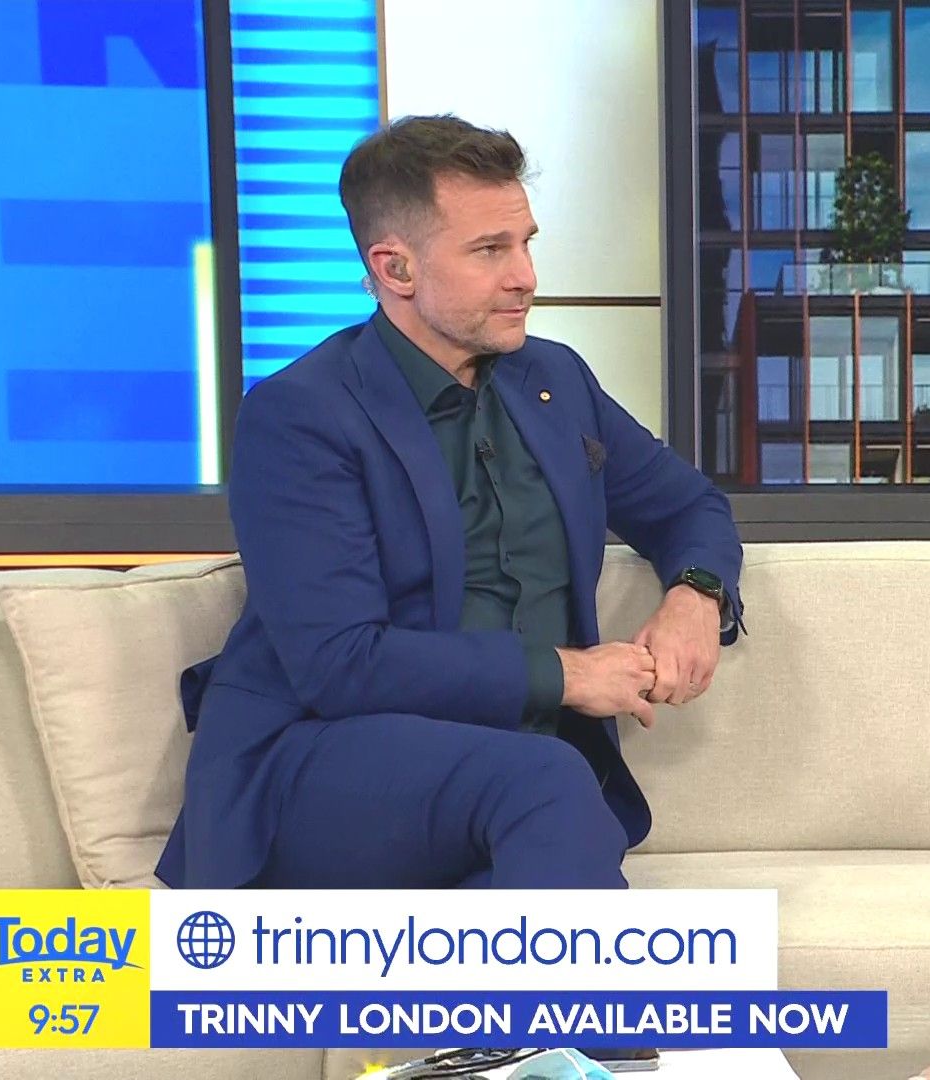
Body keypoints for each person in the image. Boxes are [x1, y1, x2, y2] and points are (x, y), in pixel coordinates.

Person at [155, 115, 745, 891]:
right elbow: (340, 664)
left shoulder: (555, 382)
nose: (526, 276)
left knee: (549, 825)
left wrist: (696, 595)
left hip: (507, 782)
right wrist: (565, 676)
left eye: (526, 242)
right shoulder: (302, 414)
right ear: (395, 267)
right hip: (322, 766)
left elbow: (687, 505)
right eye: (490, 250)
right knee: (551, 784)